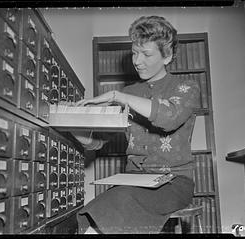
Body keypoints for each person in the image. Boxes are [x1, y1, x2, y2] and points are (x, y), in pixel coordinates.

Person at [74, 15, 200, 234]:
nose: (137, 61)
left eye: (146, 54)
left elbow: (169, 117)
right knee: (99, 208)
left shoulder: (186, 88)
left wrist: (117, 96)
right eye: (134, 52)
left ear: (167, 56)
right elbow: (97, 142)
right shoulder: (130, 92)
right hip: (133, 181)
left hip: (174, 183)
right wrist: (70, 124)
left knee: (117, 202)